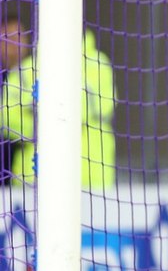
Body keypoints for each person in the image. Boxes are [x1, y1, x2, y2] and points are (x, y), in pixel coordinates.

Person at [0, 14, 117, 189]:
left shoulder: (97, 64)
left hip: (91, 177)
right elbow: (6, 116)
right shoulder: (27, 68)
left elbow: (100, 107)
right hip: (33, 178)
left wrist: (40, 110)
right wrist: (41, 128)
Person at [0, 9, 31, 183]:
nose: (15, 45)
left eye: (18, 37)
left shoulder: (35, 74)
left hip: (20, 170)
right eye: (8, 38)